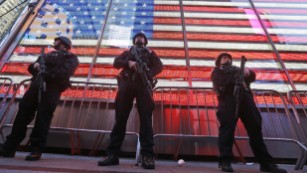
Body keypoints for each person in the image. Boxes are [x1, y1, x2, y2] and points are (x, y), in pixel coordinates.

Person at [0, 36, 79, 161]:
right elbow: (32, 68)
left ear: (64, 44)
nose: (55, 42)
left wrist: (46, 73)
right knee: (22, 117)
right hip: (34, 87)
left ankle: (36, 149)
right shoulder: (46, 56)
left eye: (57, 41)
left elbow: (64, 73)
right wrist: (35, 66)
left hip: (51, 90)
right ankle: (9, 147)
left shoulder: (70, 58)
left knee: (42, 120)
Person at [211, 53, 287, 173]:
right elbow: (222, 81)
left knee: (255, 129)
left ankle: (265, 163)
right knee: (227, 131)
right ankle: (225, 161)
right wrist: (238, 74)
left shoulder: (238, 70)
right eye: (223, 57)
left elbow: (251, 77)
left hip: (245, 99)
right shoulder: (217, 71)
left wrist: (248, 72)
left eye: (228, 57)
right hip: (228, 101)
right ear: (219, 61)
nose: (227, 58)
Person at [97, 32, 163, 169]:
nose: (139, 38)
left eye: (142, 37)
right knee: (120, 119)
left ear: (145, 41)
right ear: (134, 41)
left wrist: (147, 73)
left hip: (143, 86)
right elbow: (116, 63)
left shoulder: (150, 54)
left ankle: (148, 156)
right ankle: (112, 155)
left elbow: (159, 66)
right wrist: (129, 63)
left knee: (146, 120)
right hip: (126, 84)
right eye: (137, 37)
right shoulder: (128, 52)